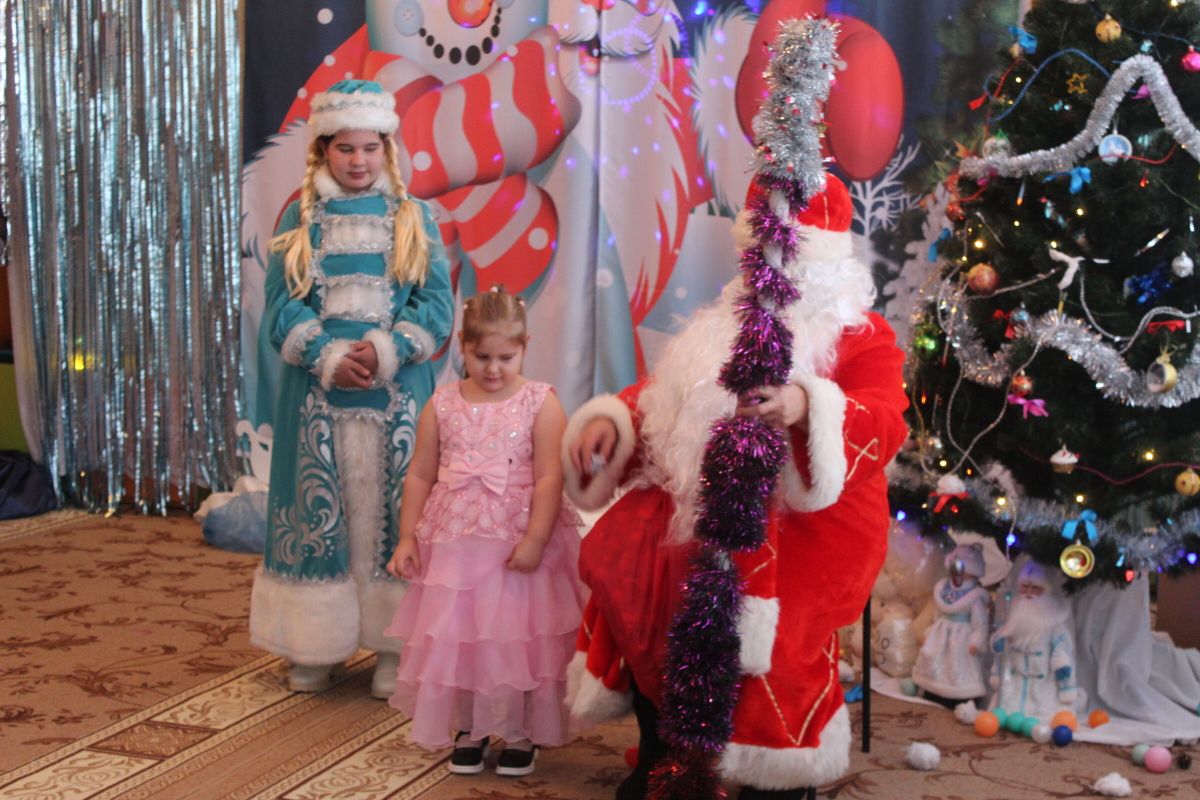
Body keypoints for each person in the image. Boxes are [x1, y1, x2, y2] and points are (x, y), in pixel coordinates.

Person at [563, 173, 908, 799]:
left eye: (788, 254)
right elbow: (669, 400)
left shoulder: (859, 334)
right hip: (700, 501)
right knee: (633, 569)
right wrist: (616, 423)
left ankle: (774, 773)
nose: (771, 269)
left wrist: (805, 406)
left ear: (824, 256)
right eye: (761, 253)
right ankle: (667, 754)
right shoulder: (724, 319)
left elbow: (885, 421)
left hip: (810, 520)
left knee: (775, 617)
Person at [248, 79, 454, 700]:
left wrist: (389, 349)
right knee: (322, 514)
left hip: (397, 401)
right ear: (323, 149)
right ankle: (316, 639)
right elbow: (281, 306)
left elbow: (436, 305)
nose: (358, 160)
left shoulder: (414, 218)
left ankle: (394, 643)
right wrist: (327, 355)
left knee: (395, 513)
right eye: (345, 148)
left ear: (386, 148)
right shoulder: (299, 217)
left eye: (369, 148)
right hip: (317, 399)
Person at [383, 288, 586, 778]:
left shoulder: (540, 402)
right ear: (463, 347)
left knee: (515, 638)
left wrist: (535, 540)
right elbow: (420, 474)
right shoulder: (443, 403)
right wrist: (408, 537)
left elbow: (550, 477)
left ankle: (519, 731)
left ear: (525, 347)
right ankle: (470, 728)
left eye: (506, 358)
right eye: (481, 357)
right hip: (456, 547)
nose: (493, 369)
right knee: (462, 636)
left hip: (517, 542)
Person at [989, 557, 1081, 721]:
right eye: (1025, 587)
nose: (1029, 592)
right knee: (1007, 714)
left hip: (1043, 683)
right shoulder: (1013, 617)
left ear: (1045, 590)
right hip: (1014, 684)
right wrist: (998, 643)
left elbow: (1061, 651)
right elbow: (1000, 647)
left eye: (1035, 588)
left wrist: (1064, 675)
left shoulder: (1053, 623)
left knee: (1043, 718)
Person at [910, 543, 991, 704]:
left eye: (963, 572)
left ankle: (960, 695)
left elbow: (980, 621)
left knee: (957, 663)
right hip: (941, 630)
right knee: (935, 658)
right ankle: (932, 689)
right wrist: (931, 630)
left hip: (962, 634)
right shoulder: (944, 587)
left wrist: (976, 640)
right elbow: (939, 612)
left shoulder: (974, 594)